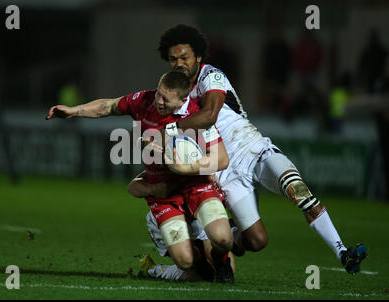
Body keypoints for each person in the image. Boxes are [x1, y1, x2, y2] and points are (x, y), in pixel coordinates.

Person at [145, 24, 367, 274]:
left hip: (251, 148)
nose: (179, 63)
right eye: (173, 59)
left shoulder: (211, 76)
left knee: (297, 189)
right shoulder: (174, 95)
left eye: (184, 57)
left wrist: (169, 131)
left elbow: (208, 115)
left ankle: (342, 252)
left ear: (198, 57)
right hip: (226, 171)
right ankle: (225, 241)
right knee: (256, 240)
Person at [46, 71, 235, 283]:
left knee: (224, 240)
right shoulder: (145, 101)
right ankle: (198, 259)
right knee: (185, 262)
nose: (159, 101)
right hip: (164, 193)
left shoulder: (196, 115)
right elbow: (109, 106)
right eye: (159, 94)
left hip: (195, 186)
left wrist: (183, 167)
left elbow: (221, 159)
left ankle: (220, 259)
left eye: (166, 99)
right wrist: (73, 111)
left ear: (183, 100)